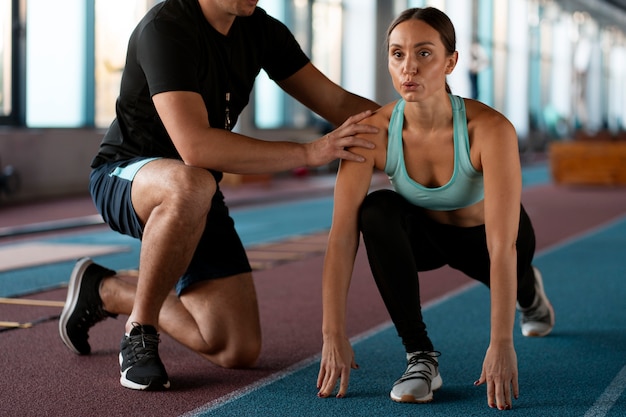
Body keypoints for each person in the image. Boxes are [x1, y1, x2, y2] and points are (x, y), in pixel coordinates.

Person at [58, 0, 379, 391]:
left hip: (197, 191)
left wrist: (424, 126)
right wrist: (310, 152)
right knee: (190, 182)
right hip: (126, 172)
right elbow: (195, 147)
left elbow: (340, 103)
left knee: (235, 347)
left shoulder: (262, 31)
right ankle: (139, 331)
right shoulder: (166, 27)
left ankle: (107, 290)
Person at [316, 7, 555, 411]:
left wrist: (501, 343)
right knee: (375, 210)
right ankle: (420, 358)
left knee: (517, 277)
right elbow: (341, 237)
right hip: (423, 240)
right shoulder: (372, 132)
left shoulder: (490, 130)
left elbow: (501, 246)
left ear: (450, 61)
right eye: (397, 54)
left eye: (424, 54)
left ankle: (530, 295)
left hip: (485, 240)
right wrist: (332, 333)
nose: (409, 67)